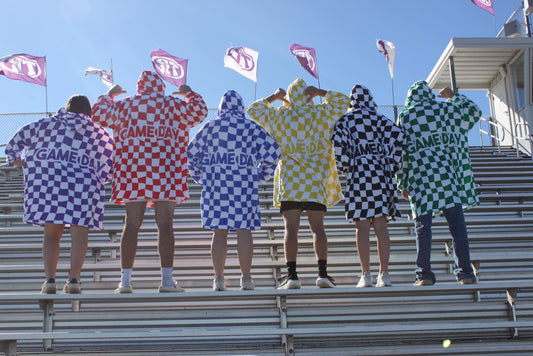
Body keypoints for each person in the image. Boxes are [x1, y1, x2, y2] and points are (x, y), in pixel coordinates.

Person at [92, 70, 207, 293]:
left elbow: (97, 114)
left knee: (131, 224)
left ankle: (124, 282)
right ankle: (166, 281)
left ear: (139, 86)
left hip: (132, 172)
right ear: (161, 85)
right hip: (166, 172)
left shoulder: (125, 105)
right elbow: (200, 112)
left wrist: (109, 94)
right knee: (165, 224)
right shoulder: (173, 105)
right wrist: (189, 93)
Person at [5, 95, 114, 294]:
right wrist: (104, 178)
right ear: (89, 112)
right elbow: (110, 162)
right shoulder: (98, 132)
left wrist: (17, 160)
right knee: (79, 233)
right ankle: (73, 280)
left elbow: (14, 143)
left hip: (49, 185)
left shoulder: (44, 124)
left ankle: (50, 280)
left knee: (51, 235)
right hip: (83, 187)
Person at [248, 78, 349, 289]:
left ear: (289, 97)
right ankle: (322, 274)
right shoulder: (322, 113)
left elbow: (253, 110)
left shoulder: (279, 115)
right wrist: (320, 91)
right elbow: (344, 102)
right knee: (318, 228)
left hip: (290, 179)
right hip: (315, 180)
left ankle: (292, 276)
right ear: (308, 95)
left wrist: (274, 97)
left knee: (290, 229)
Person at [188, 90, 280, 291]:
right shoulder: (251, 127)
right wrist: (259, 175)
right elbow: (273, 153)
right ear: (241, 106)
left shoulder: (210, 127)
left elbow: (191, 153)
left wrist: (201, 177)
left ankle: (218, 278)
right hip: (243, 186)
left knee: (219, 231)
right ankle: (246, 278)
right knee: (244, 229)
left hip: (216, 187)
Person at [396, 80, 482, 286]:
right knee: (457, 227)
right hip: (448, 179)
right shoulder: (444, 110)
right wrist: (453, 96)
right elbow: (474, 111)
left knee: (423, 229)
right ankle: (465, 273)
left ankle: (424, 273)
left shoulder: (406, 117)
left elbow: (402, 153)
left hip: (420, 179)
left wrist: (403, 183)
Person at [331, 84, 404, 288]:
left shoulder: (346, 120)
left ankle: (366, 274)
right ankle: (385, 273)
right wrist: (390, 161)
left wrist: (347, 164)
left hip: (359, 173)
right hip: (381, 173)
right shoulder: (380, 120)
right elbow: (399, 136)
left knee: (361, 225)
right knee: (380, 224)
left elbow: (336, 146)